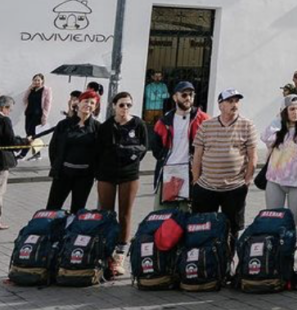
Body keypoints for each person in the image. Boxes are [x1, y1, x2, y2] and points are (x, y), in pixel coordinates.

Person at [192, 88, 257, 243]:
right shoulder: (206, 125)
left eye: (236, 101)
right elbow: (198, 156)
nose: (234, 104)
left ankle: (227, 262)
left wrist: (247, 181)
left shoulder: (247, 125)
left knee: (232, 230)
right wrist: (196, 180)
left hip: (234, 188)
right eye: (230, 101)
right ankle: (205, 260)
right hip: (206, 186)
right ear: (220, 105)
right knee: (203, 227)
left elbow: (253, 156)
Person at [95, 91, 148, 275]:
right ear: (114, 106)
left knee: (125, 214)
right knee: (106, 214)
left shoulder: (138, 124)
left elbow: (144, 147)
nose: (125, 108)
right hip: (107, 174)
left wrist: (131, 156)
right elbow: (99, 150)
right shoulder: (106, 126)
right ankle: (104, 251)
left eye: (128, 105)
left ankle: (120, 255)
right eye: (121, 105)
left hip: (129, 174)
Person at [262, 95, 297, 235]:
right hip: (275, 181)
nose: (296, 112)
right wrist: (277, 120)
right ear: (284, 111)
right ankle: (274, 254)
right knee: (273, 221)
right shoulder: (278, 129)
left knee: (294, 223)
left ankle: (291, 254)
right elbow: (265, 137)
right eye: (292, 109)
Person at [150, 81, 209, 209]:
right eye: (184, 95)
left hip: (191, 172)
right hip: (168, 171)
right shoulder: (164, 121)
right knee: (163, 213)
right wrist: (163, 158)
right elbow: (156, 147)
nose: (188, 98)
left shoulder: (203, 119)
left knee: (187, 212)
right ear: (175, 97)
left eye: (191, 95)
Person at [47, 89, 101, 212]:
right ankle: (53, 231)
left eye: (92, 103)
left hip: (85, 176)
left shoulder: (97, 127)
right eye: (86, 101)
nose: (88, 105)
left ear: (95, 107)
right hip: (63, 174)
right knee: (52, 208)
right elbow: (53, 148)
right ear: (79, 102)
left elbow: (100, 152)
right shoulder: (64, 125)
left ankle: (72, 232)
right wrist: (56, 166)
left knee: (78, 210)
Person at [1, 95, 30, 230]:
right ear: (4, 107)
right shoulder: (4, 120)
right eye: (9, 109)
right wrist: (24, 141)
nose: (10, 112)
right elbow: (10, 141)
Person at [22, 74, 51, 161]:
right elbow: (24, 100)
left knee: (31, 135)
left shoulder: (46, 90)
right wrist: (29, 89)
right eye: (35, 80)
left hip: (38, 115)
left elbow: (47, 104)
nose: (36, 82)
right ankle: (37, 154)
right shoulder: (32, 89)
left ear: (42, 80)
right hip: (29, 114)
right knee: (29, 133)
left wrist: (45, 117)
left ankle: (23, 154)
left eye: (38, 80)